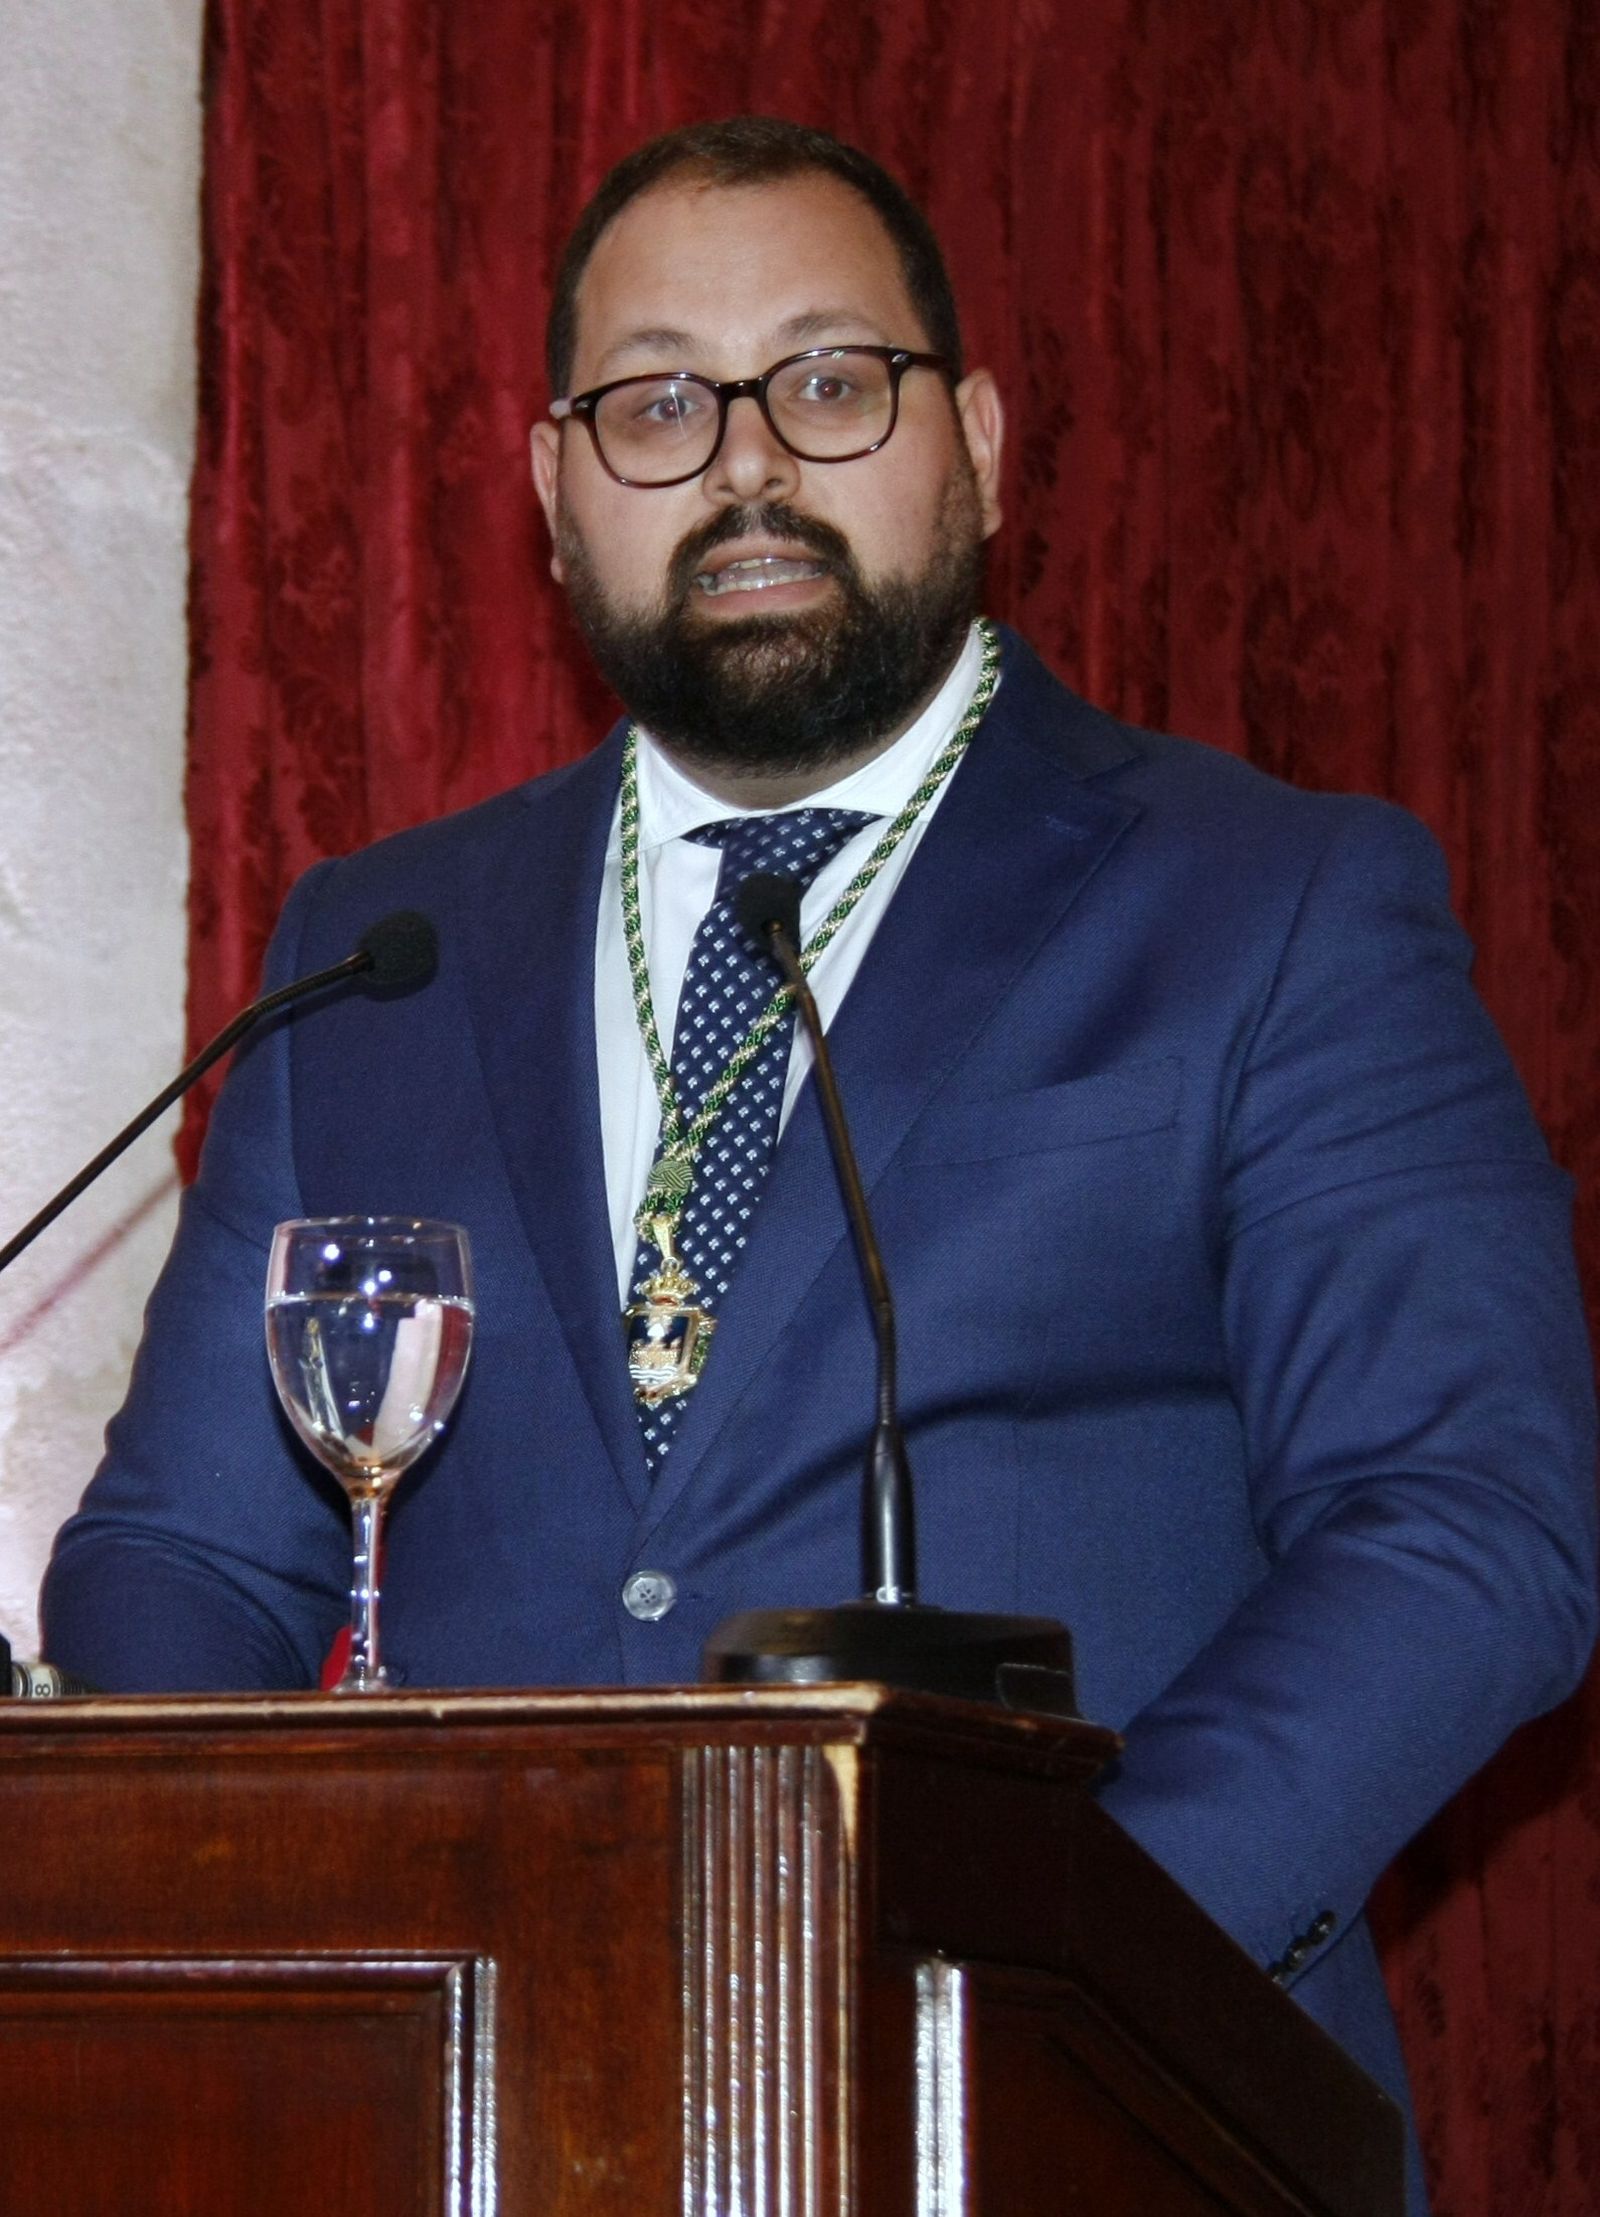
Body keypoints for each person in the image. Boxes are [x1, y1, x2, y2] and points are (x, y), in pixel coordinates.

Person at [41, 117, 1596, 2203]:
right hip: (487, 2131)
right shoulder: (379, 946)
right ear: (553, 487)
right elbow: (193, 1559)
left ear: (973, 440)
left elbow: (1463, 1526)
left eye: (829, 384)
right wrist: (294, 1967)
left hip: (1090, 2119)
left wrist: (1031, 1972)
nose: (746, 464)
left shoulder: (1270, 903)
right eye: (658, 402)